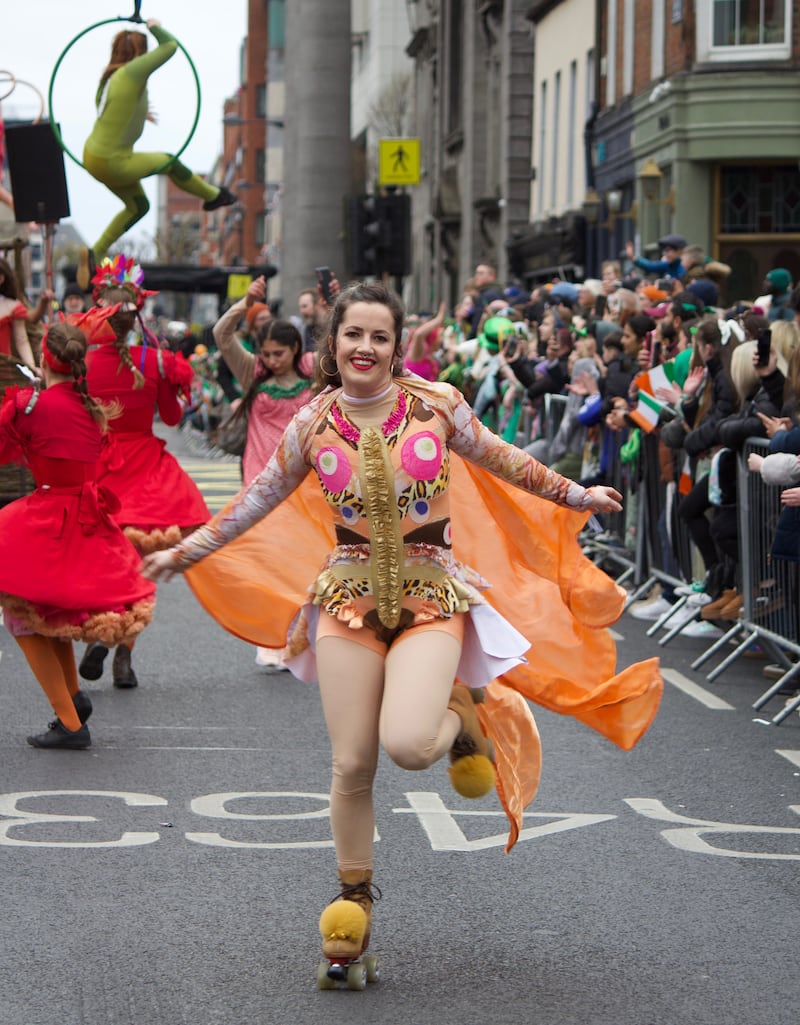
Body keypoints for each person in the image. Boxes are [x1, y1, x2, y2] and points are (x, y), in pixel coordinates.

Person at [141, 280, 662, 978]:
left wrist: (575, 495)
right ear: (334, 344)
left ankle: (460, 714)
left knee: (409, 746)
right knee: (352, 763)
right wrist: (186, 550)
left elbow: (503, 458)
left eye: (380, 336)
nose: (365, 347)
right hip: (345, 600)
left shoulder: (437, 405)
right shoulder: (311, 423)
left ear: (396, 345)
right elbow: (253, 502)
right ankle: (352, 911)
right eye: (353, 334)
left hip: (431, 595)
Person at [0, 322, 155, 748]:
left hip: (48, 515)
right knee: (48, 615)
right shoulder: (91, 407)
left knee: (20, 617)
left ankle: (70, 720)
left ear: (45, 359)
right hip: (86, 515)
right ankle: (71, 700)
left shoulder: (30, 405)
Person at [74, 254, 209, 688]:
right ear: (136, 318)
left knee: (106, 564)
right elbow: (170, 420)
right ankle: (123, 653)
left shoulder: (81, 366)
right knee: (142, 566)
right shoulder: (156, 363)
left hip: (97, 470)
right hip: (148, 475)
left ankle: (102, 632)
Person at [77, 19, 235, 286]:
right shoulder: (132, 72)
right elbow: (170, 46)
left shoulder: (110, 79)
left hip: (95, 156)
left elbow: (109, 112)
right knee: (168, 161)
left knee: (139, 206)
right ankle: (213, 196)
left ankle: (96, 252)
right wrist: (154, 26)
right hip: (113, 160)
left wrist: (139, 113)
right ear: (139, 53)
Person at [212, 274, 314, 668]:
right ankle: (272, 638)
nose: (270, 361)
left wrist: (335, 303)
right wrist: (245, 302)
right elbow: (222, 335)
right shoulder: (252, 372)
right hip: (261, 481)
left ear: (294, 350)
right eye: (266, 353)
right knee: (270, 561)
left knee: (302, 559)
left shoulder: (310, 373)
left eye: (278, 354)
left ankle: (300, 634)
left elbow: (339, 349)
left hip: (305, 481)